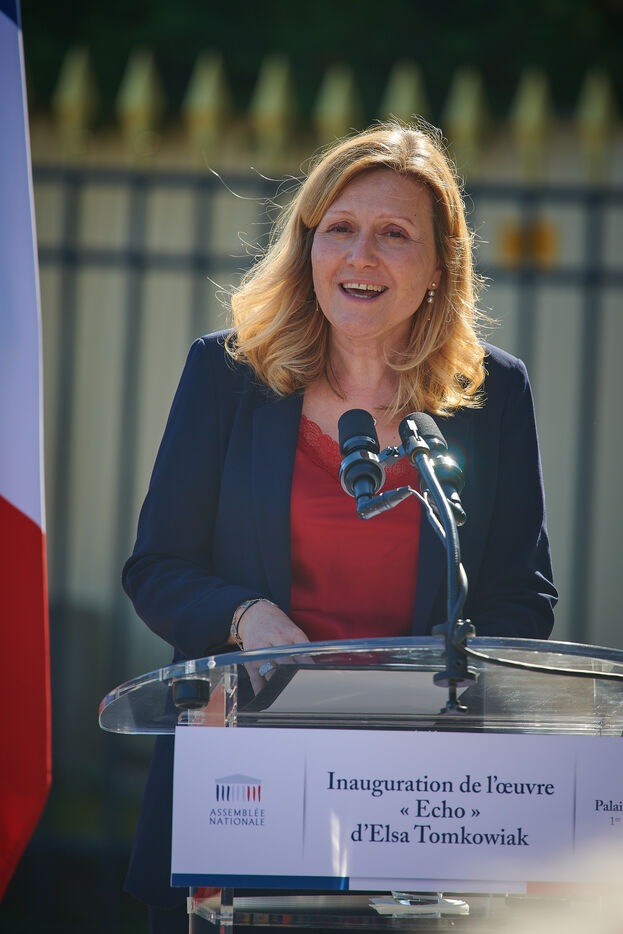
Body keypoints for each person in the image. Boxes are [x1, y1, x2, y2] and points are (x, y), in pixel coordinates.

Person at [122, 121, 557, 930]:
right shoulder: (227, 374)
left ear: (439, 265)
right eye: (340, 229)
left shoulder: (493, 394)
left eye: (394, 234)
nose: (360, 256)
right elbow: (157, 567)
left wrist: (440, 675)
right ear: (308, 247)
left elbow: (520, 595)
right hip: (243, 785)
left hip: (414, 796)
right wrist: (244, 615)